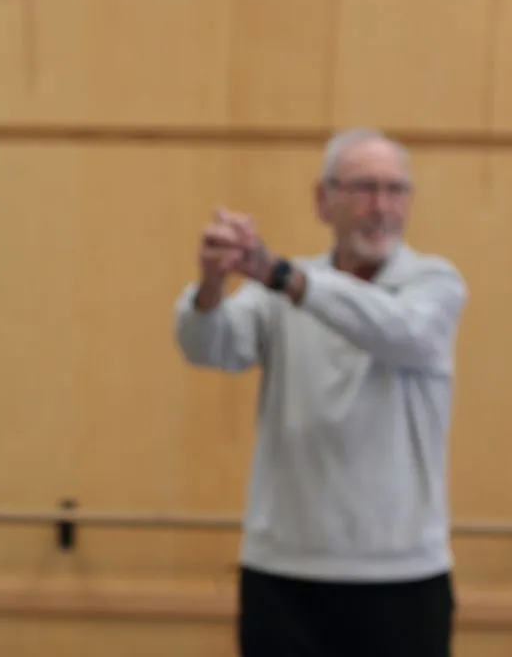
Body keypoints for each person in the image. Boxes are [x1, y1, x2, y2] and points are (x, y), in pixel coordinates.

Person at [171, 128, 467, 657]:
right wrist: (212, 283)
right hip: (285, 571)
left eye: (396, 190)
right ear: (322, 200)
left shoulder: (434, 283)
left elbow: (398, 330)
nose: (381, 207)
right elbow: (208, 347)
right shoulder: (283, 288)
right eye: (363, 189)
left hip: (402, 575)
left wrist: (282, 276)